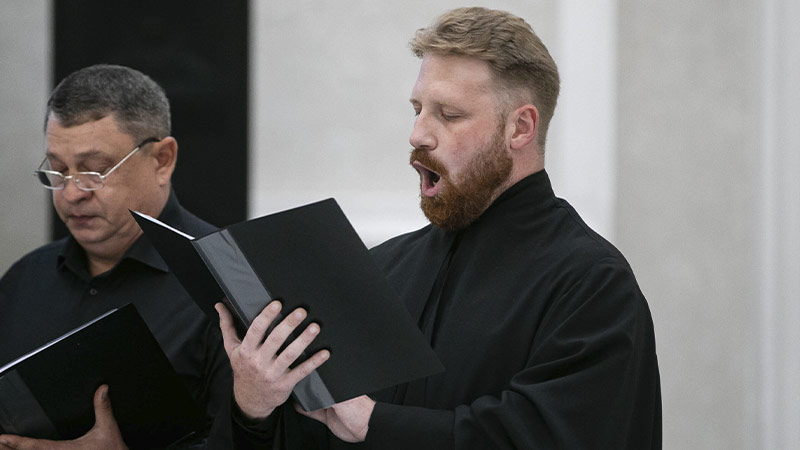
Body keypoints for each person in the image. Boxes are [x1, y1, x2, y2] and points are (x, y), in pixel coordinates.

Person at [216, 7, 661, 449]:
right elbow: (316, 434)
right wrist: (254, 409)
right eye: (417, 110)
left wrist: (377, 424)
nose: (418, 135)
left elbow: (554, 438)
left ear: (520, 128)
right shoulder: (381, 269)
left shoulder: (591, 284)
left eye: (448, 114)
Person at [0, 64, 232, 449]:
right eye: (57, 170)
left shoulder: (226, 281)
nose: (71, 193)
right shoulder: (25, 279)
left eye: (94, 171)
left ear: (162, 160)